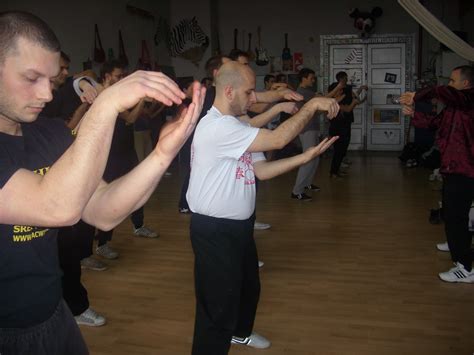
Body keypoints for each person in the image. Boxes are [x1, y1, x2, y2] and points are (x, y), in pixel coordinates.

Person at [0, 11, 205, 354]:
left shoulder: (49, 134)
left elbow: (104, 210)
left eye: (50, 80)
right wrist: (106, 103)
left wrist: (162, 154)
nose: (47, 94)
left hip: (52, 313)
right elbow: (57, 208)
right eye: (31, 78)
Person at [186, 61, 339, 354]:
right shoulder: (217, 127)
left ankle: (240, 333)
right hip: (215, 231)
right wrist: (313, 104)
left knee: (248, 288)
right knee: (216, 310)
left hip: (238, 228)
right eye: (248, 91)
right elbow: (280, 138)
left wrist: (304, 158)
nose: (253, 97)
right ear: (229, 91)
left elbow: (262, 171)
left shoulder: (237, 125)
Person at [401, 65, 474, 283]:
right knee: (452, 212)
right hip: (453, 166)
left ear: (466, 84)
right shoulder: (456, 104)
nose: (450, 84)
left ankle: (465, 267)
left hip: (465, 168)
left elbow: (442, 91)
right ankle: (456, 244)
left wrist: (417, 94)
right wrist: (415, 113)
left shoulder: (468, 99)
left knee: (456, 216)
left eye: (453, 80)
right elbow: (436, 124)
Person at [94, 61, 160, 261]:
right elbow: (130, 119)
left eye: (123, 75)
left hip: (127, 150)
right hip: (111, 155)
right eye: (117, 75)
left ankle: (138, 226)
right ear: (106, 76)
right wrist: (141, 99)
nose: (121, 78)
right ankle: (102, 244)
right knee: (110, 197)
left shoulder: (120, 95)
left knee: (137, 188)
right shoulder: (104, 96)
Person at [328, 71, 367, 178]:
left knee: (342, 149)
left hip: (344, 125)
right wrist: (355, 102)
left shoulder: (343, 94)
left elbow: (353, 101)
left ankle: (336, 170)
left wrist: (360, 96)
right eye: (338, 90)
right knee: (339, 150)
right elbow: (348, 108)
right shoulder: (334, 102)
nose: (341, 91)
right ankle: (334, 172)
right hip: (338, 127)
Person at [291, 68, 321, 201]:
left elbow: (318, 110)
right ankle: (296, 191)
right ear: (303, 78)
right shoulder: (302, 93)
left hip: (313, 127)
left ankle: (307, 184)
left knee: (315, 159)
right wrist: (338, 88)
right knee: (308, 160)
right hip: (306, 129)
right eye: (311, 78)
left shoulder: (309, 92)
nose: (313, 80)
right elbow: (322, 101)